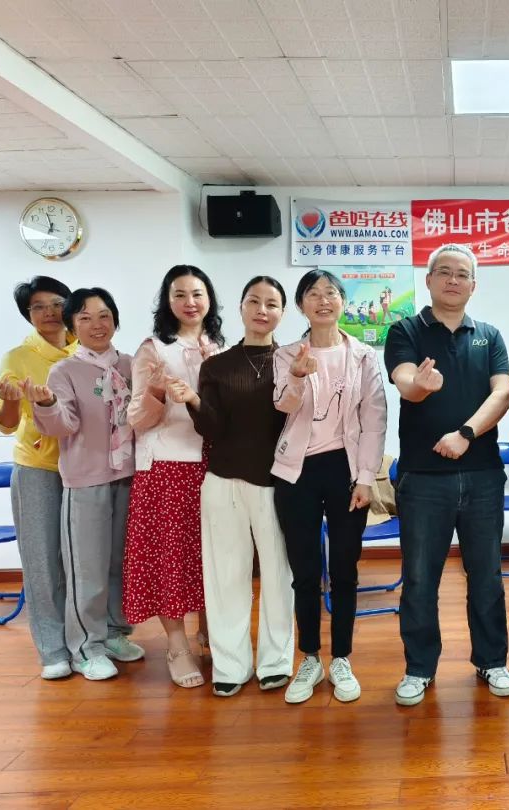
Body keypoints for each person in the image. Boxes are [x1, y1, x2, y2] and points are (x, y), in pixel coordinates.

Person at [383, 243, 509, 707]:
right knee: (420, 579)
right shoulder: (405, 330)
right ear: (429, 280)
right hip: (423, 479)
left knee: (487, 576)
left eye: (462, 274)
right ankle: (419, 668)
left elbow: (503, 393)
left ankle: (492, 660)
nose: (453, 280)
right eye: (444, 272)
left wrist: (465, 433)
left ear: (473, 285)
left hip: (482, 476)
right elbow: (404, 381)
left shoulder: (490, 336)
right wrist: (419, 387)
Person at [171, 276, 294, 697]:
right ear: (240, 307)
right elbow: (212, 429)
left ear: (282, 312)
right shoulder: (217, 365)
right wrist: (192, 400)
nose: (262, 310)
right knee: (225, 575)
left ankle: (276, 662)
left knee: (278, 574)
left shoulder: (293, 362)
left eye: (271, 303)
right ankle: (230, 665)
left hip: (276, 483)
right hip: (223, 480)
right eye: (253, 301)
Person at [271, 269, 387, 705]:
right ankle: (309, 658)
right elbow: (282, 404)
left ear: (342, 301)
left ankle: (341, 658)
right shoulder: (286, 354)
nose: (323, 300)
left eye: (331, 293)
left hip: (346, 469)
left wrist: (365, 478)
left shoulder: (363, 355)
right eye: (313, 294)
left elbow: (374, 419)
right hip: (296, 470)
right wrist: (298, 377)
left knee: (344, 569)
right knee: (304, 571)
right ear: (301, 305)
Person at [29, 287, 144, 681]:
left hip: (127, 476)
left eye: (104, 315)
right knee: (87, 569)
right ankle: (84, 648)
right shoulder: (64, 371)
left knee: (118, 564)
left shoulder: (129, 364)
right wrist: (47, 404)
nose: (97, 325)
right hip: (86, 481)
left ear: (115, 320)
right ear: (72, 326)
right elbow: (64, 425)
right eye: (85, 318)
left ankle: (113, 633)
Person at [124, 265, 224, 689]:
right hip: (167, 467)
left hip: (215, 465)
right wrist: (158, 392)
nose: (190, 302)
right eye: (179, 294)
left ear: (210, 300)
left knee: (211, 556)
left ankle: (212, 633)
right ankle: (177, 645)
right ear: (167, 302)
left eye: (197, 293)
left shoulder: (218, 348)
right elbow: (135, 418)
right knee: (171, 560)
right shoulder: (153, 350)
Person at [0, 277, 77, 679]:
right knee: (42, 561)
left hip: (86, 469)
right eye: (38, 307)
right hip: (39, 469)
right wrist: (11, 402)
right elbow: (6, 423)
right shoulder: (17, 357)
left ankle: (88, 641)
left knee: (85, 560)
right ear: (28, 315)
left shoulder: (86, 350)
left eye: (57, 303)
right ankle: (53, 650)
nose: (49, 312)